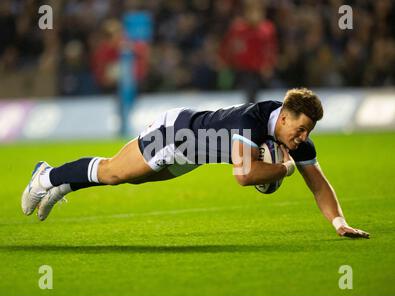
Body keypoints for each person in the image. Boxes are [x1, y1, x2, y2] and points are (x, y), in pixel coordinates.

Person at [21, 88, 369, 239]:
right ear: (283, 119)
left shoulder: (295, 134)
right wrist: (285, 168)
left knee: (134, 179)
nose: (303, 138)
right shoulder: (251, 119)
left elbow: (318, 183)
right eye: (301, 129)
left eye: (308, 131)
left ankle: (65, 183)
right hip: (177, 134)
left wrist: (339, 223)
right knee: (114, 172)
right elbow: (245, 176)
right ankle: (47, 175)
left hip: (196, 155)